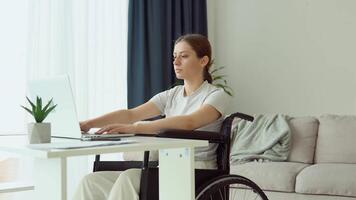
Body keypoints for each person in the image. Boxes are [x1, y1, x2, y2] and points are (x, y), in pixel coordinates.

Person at [73, 33, 231, 200]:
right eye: (174, 56)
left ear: (203, 61)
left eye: (184, 56)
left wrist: (136, 128)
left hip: (197, 169)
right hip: (166, 167)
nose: (176, 62)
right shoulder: (172, 95)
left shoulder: (216, 95)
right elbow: (130, 114)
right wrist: (88, 124)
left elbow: (189, 122)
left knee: (130, 178)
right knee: (91, 181)